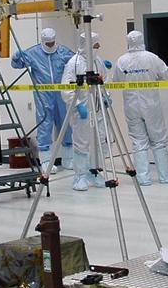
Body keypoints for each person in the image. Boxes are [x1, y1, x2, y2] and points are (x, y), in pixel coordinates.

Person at [111, 30, 168, 185]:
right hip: (151, 105)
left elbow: (115, 81)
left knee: (138, 141)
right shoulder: (151, 58)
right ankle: (166, 176)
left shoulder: (122, 61)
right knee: (159, 140)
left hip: (131, 106)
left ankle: (142, 177)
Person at [10, 27, 73, 171]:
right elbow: (18, 65)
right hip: (43, 94)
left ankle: (68, 158)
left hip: (61, 92)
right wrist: (15, 57)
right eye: (48, 43)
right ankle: (45, 161)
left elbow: (75, 63)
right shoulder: (33, 52)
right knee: (45, 123)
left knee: (65, 123)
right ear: (43, 41)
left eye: (52, 43)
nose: (50, 46)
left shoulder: (63, 51)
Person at [61, 32, 112, 192]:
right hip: (81, 112)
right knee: (82, 144)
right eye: (95, 45)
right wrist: (77, 105)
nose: (98, 48)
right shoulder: (73, 63)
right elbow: (66, 89)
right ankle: (80, 176)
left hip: (98, 109)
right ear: (87, 45)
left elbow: (105, 80)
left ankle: (95, 173)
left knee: (100, 141)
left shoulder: (97, 61)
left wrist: (106, 96)